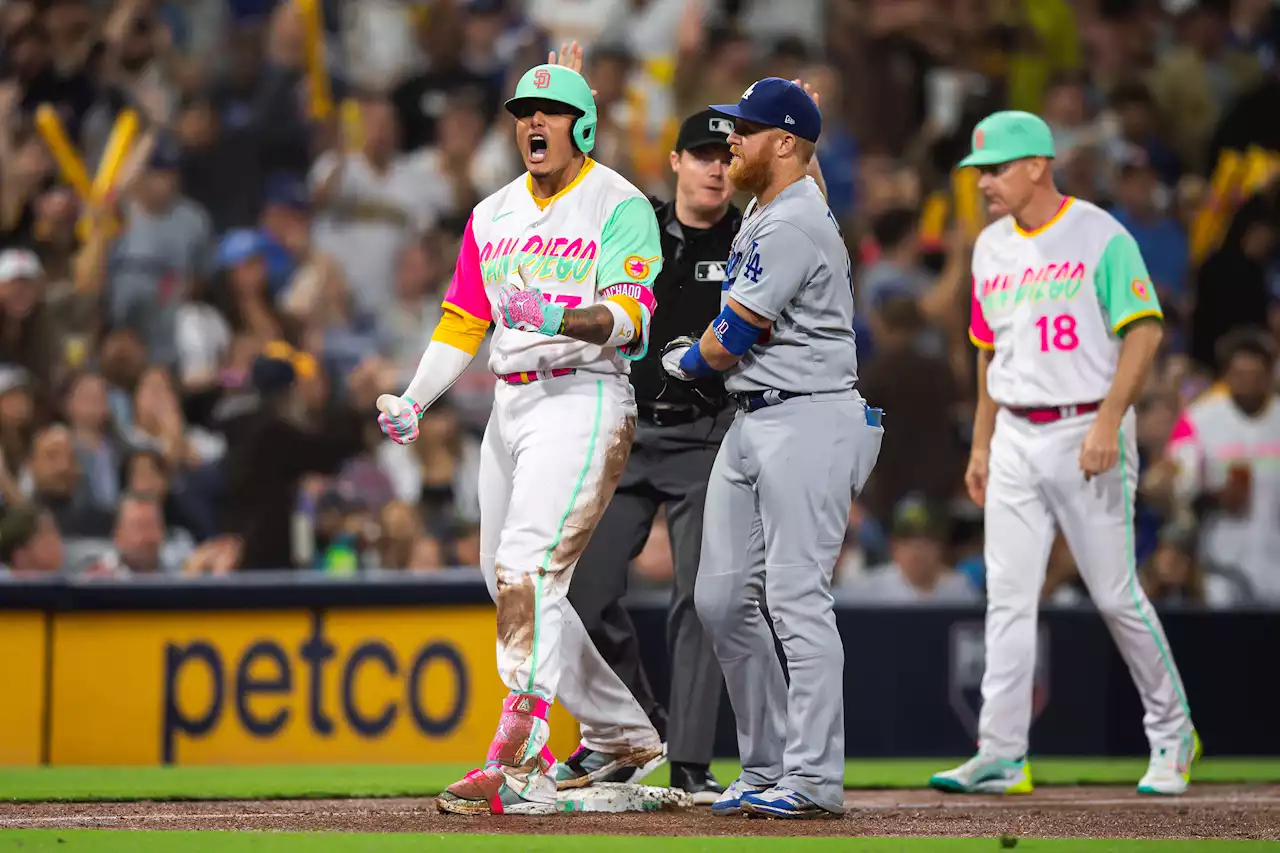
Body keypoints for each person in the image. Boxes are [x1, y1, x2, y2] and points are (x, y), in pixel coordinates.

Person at [376, 60, 665, 817]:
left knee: (527, 566)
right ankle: (622, 731)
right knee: (508, 577)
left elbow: (632, 319)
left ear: (584, 126)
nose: (534, 122)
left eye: (552, 111)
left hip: (583, 395)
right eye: (524, 111)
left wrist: (557, 317)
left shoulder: (619, 202)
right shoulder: (491, 212)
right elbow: (461, 322)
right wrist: (415, 398)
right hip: (510, 406)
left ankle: (524, 751)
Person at [930, 111, 1198, 798]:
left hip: (1086, 426)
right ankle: (1001, 751)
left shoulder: (1099, 233)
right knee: (1009, 599)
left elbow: (1143, 331)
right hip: (1016, 431)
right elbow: (991, 349)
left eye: (994, 169)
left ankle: (1173, 730)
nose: (984, 182)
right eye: (980, 171)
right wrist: (984, 441)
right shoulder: (990, 246)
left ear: (1037, 165)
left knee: (1114, 592)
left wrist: (1109, 420)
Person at [662, 77, 883, 819]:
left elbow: (730, 340)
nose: (732, 144)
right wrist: (796, 113)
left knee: (794, 599)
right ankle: (764, 765)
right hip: (756, 422)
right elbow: (804, 166)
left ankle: (814, 777)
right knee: (721, 599)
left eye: (747, 132)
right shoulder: (780, 200)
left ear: (782, 144)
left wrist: (685, 360)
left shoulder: (789, 222)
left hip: (810, 418)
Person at [564, 108, 739, 803]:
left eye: (725, 155)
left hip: (707, 436)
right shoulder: (641, 224)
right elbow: (576, 204)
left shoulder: (752, 236)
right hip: (630, 431)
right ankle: (642, 724)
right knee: (584, 590)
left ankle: (692, 761)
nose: (715, 166)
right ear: (675, 162)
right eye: (701, 154)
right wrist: (577, 115)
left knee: (701, 600)